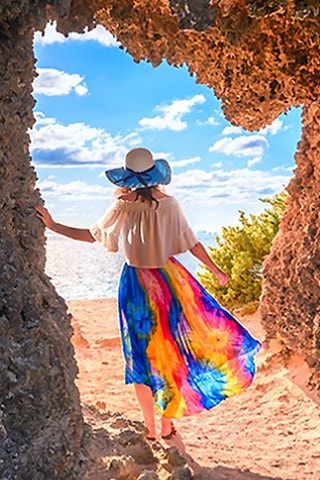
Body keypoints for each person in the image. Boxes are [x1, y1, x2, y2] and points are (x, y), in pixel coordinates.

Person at [35, 147, 261, 441]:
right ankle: (166, 425)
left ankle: (151, 428)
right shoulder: (170, 204)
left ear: (127, 176)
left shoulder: (122, 205)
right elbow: (192, 243)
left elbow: (90, 235)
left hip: (136, 286)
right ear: (155, 174)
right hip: (169, 280)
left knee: (139, 357)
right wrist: (216, 270)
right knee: (168, 351)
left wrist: (53, 226)